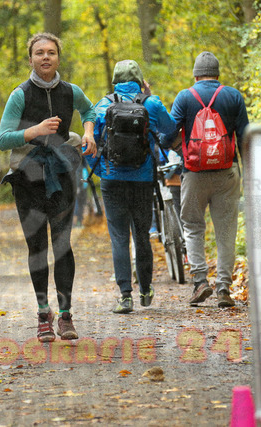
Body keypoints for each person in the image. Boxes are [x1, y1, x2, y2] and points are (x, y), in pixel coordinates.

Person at [0, 33, 96, 342]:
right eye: (39, 53)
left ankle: (65, 315)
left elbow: (90, 111)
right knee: (37, 247)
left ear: (57, 58)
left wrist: (89, 132)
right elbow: (3, 139)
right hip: (27, 179)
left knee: (63, 244)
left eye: (51, 52)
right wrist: (34, 130)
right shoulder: (20, 95)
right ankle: (43, 314)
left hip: (62, 174)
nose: (45, 57)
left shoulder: (71, 91)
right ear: (31, 59)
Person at [88, 60, 176, 314]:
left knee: (119, 237)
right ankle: (145, 290)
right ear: (139, 80)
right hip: (142, 179)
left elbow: (90, 144)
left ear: (115, 81)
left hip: (112, 179)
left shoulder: (102, 105)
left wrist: (100, 170)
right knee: (141, 234)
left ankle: (125, 295)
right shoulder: (151, 103)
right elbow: (170, 129)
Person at [163, 51, 249, 308]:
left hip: (194, 174)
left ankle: (200, 281)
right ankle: (224, 288)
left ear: (196, 75)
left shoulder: (185, 97)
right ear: (217, 74)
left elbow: (167, 136)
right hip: (227, 172)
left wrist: (180, 148)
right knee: (226, 231)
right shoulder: (233, 96)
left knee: (192, 226)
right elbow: (245, 137)